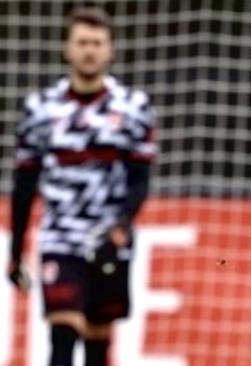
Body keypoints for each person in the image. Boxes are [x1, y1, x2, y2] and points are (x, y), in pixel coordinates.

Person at [6, 6, 155, 366]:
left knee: (97, 341)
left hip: (109, 239)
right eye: (82, 42)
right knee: (62, 332)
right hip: (60, 237)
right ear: (68, 48)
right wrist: (15, 251)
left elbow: (140, 180)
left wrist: (121, 226)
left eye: (97, 43)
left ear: (110, 49)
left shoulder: (133, 108)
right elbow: (24, 184)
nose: (89, 50)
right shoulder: (41, 109)